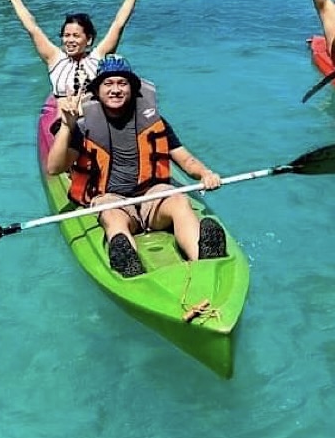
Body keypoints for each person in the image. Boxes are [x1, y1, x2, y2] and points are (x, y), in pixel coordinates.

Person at [44, 55, 225, 279]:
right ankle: (128, 261)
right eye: (108, 84)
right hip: (111, 197)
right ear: (98, 90)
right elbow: (54, 168)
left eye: (122, 83)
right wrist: (66, 126)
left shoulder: (152, 120)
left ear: (132, 88)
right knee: (111, 215)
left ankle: (204, 256)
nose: (116, 89)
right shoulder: (84, 127)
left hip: (151, 194)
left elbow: (185, 159)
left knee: (178, 200)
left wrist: (205, 173)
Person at [6, 0, 143, 109]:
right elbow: (32, 28)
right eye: (66, 35)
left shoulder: (98, 57)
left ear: (88, 40)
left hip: (93, 118)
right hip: (64, 120)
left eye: (76, 36)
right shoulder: (54, 58)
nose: (70, 40)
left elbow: (118, 24)